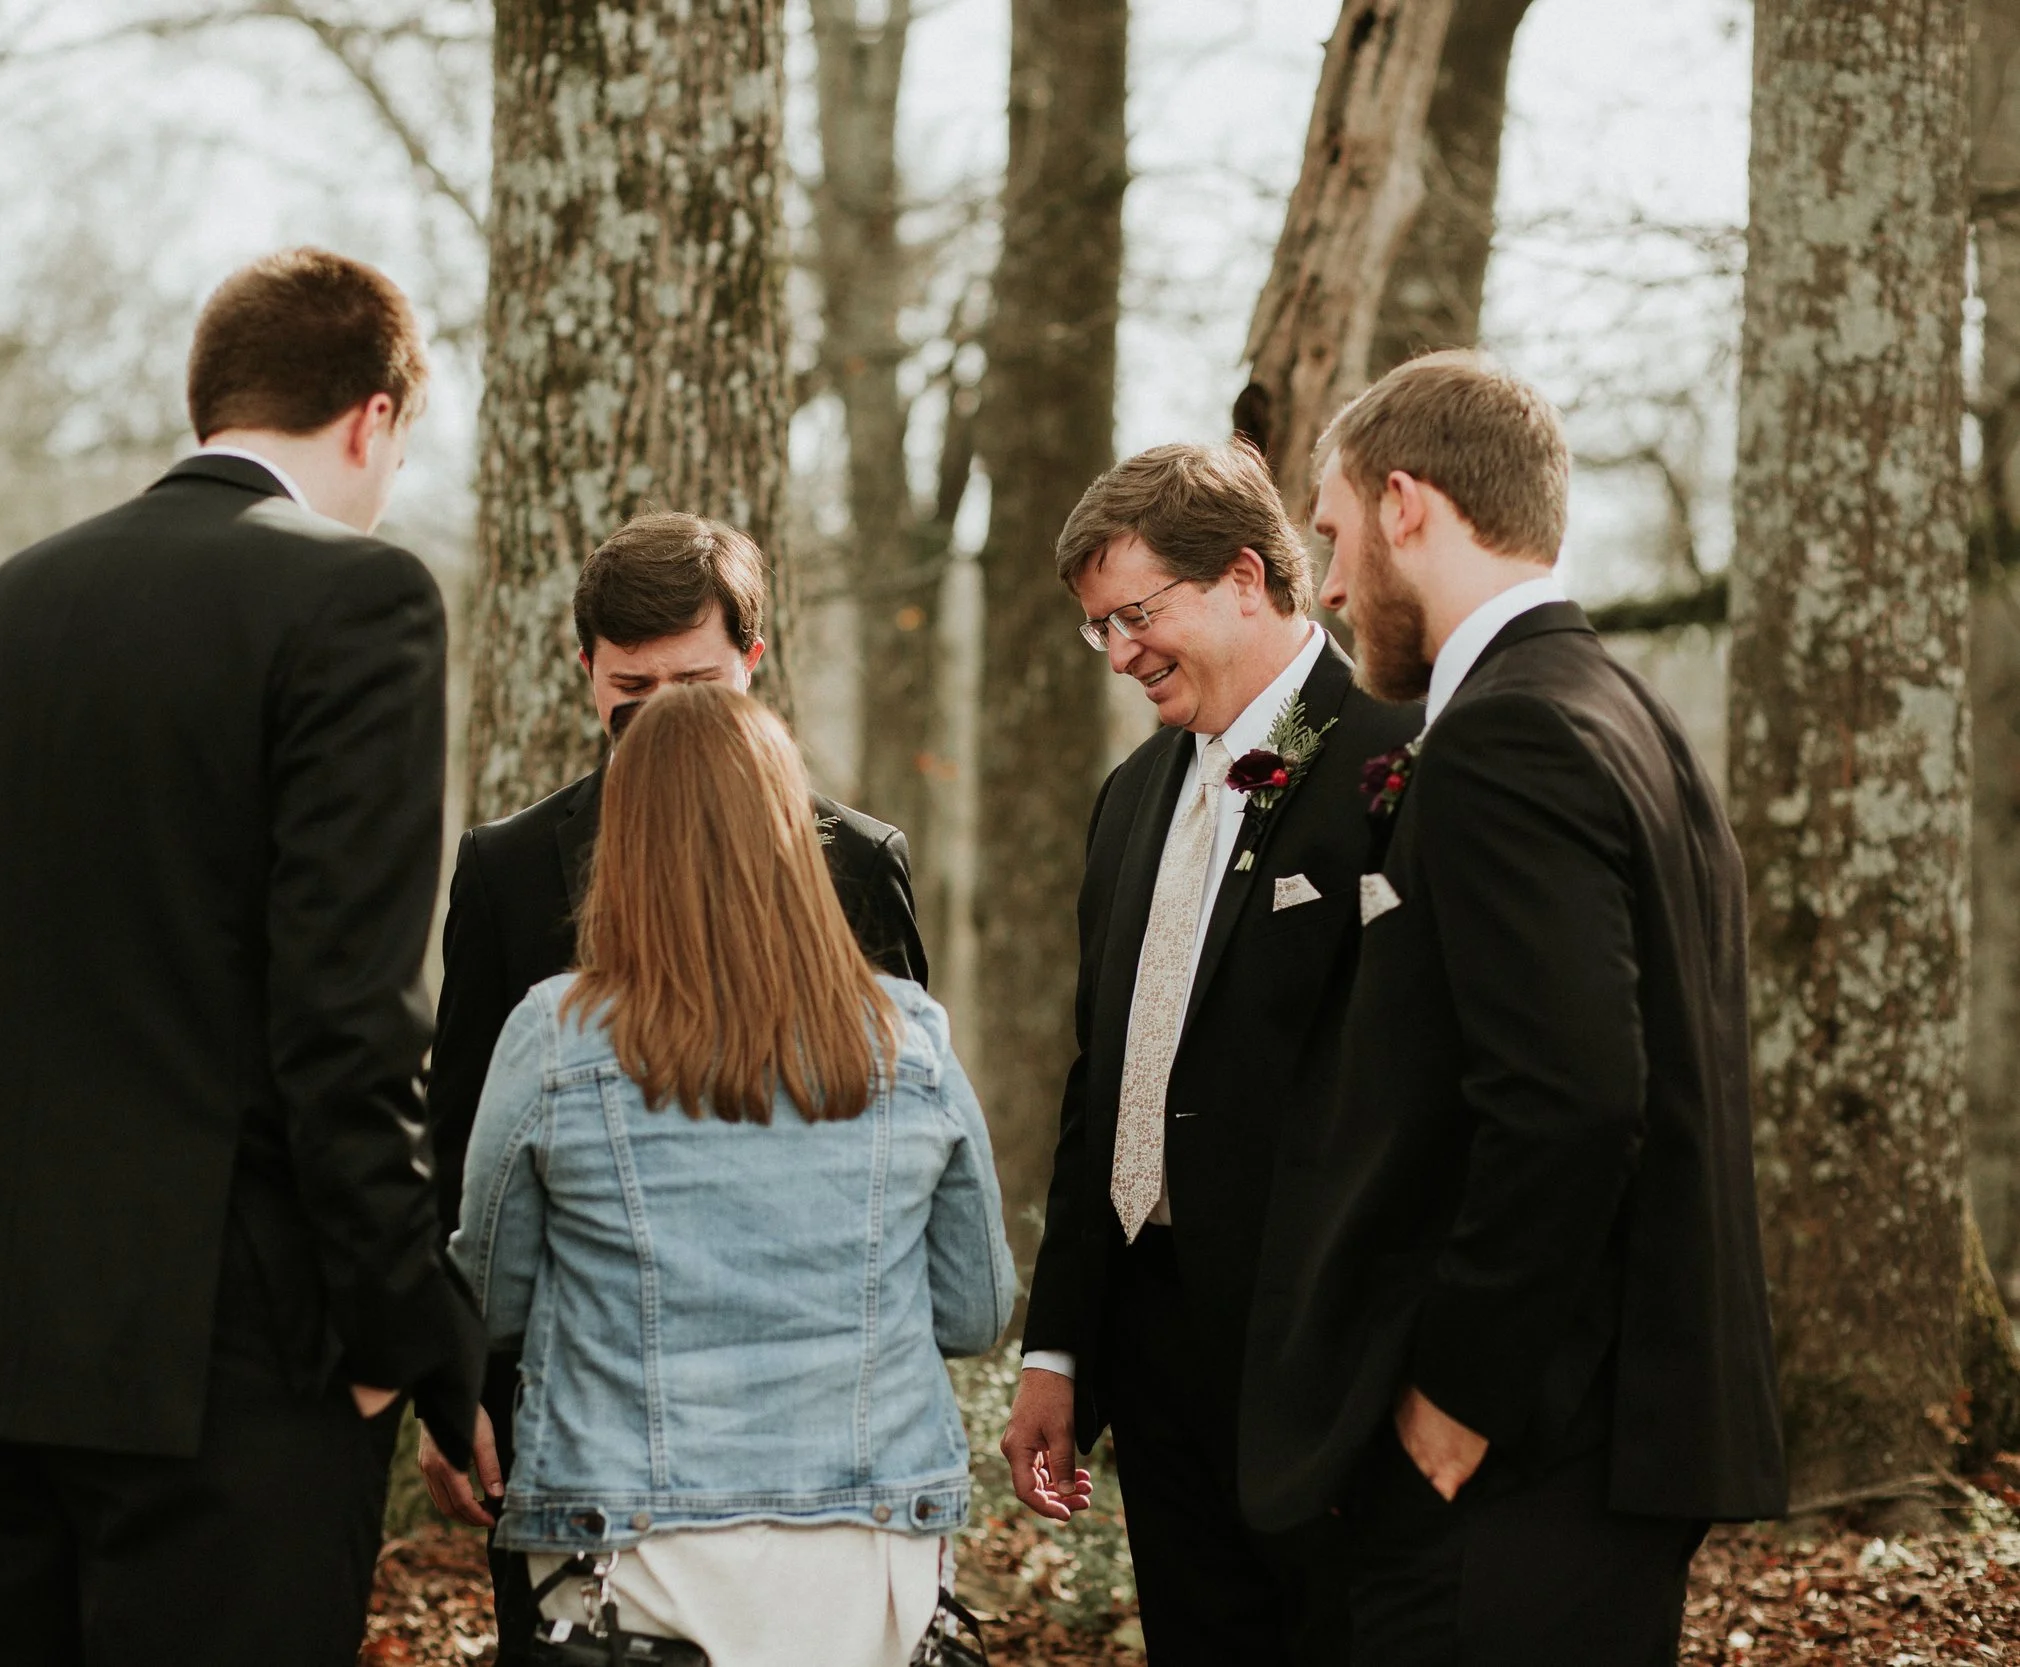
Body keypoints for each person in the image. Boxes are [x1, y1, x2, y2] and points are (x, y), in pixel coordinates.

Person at [0, 247, 485, 1666]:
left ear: (213, 399)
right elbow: (347, 1022)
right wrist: (399, 1330)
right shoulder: (357, 600)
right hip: (225, 1376)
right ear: (374, 417)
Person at [1242, 351, 1785, 1665]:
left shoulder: (1506, 733)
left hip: (1523, 1456)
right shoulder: (1628, 712)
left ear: (1405, 505)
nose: (1328, 585)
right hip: (1614, 1432)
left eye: (1332, 533)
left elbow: (1575, 1101)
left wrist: (1454, 1399)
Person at [417, 511, 929, 1646]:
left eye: (694, 681)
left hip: (816, 1433)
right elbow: (461, 1153)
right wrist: (455, 1383)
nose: (661, 715)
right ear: (585, 671)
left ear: (754, 661)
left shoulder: (855, 862)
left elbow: (899, 1147)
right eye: (630, 687)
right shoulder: (508, 868)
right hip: (570, 1423)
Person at [449, 682, 1014, 1667]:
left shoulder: (556, 1035)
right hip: (871, 1544)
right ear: (794, 835)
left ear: (623, 845)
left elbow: (488, 1299)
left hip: (628, 1545)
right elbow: (974, 1311)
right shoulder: (910, 1036)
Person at [998, 440, 1419, 1666]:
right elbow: (1105, 1080)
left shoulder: (1393, 759)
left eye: (1136, 615)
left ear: (1243, 576)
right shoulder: (1132, 796)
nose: (1118, 652)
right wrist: (1058, 1347)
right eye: (1099, 627)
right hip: (1155, 1350)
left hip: (1325, 1355)